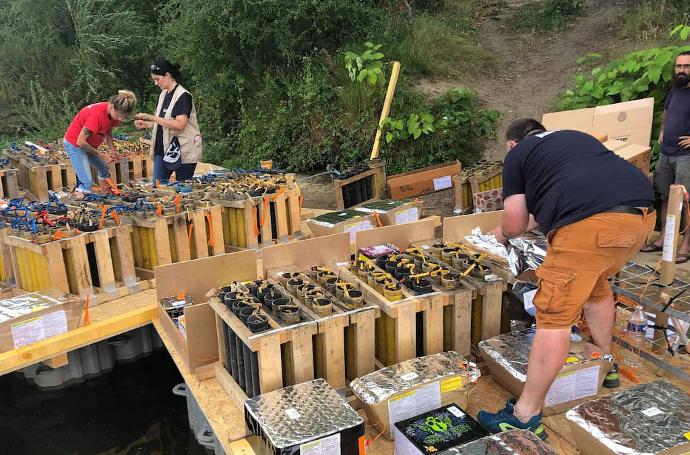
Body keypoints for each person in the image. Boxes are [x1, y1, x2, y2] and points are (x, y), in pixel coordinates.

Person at [476, 119, 655, 440]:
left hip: (593, 223)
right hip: (641, 217)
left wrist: (502, 234)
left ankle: (524, 414)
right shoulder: (573, 138)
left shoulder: (517, 155)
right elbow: (562, 195)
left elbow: (516, 224)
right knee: (596, 285)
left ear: (512, 145)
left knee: (553, 315)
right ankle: (606, 365)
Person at [639, 51, 690, 262]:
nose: (682, 70)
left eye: (686, 66)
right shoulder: (675, 90)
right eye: (679, 66)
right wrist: (662, 130)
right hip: (666, 153)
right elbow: (667, 112)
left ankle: (686, 246)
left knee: (687, 202)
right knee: (664, 197)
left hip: (686, 156)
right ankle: (663, 240)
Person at [134, 60, 202, 183]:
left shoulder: (183, 96)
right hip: (163, 150)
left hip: (182, 151)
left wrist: (153, 118)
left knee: (182, 188)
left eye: (157, 79)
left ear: (168, 75)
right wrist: (148, 125)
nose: (155, 83)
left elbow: (179, 125)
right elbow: (164, 123)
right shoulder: (163, 94)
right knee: (157, 188)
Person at [63, 90, 137, 198]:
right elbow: (80, 142)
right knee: (87, 183)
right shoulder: (96, 115)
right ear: (112, 106)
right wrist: (102, 155)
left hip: (88, 145)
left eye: (122, 117)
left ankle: (105, 196)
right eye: (119, 116)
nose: (120, 119)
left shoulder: (113, 114)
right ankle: (80, 205)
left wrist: (113, 151)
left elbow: (108, 131)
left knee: (105, 171)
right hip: (75, 145)